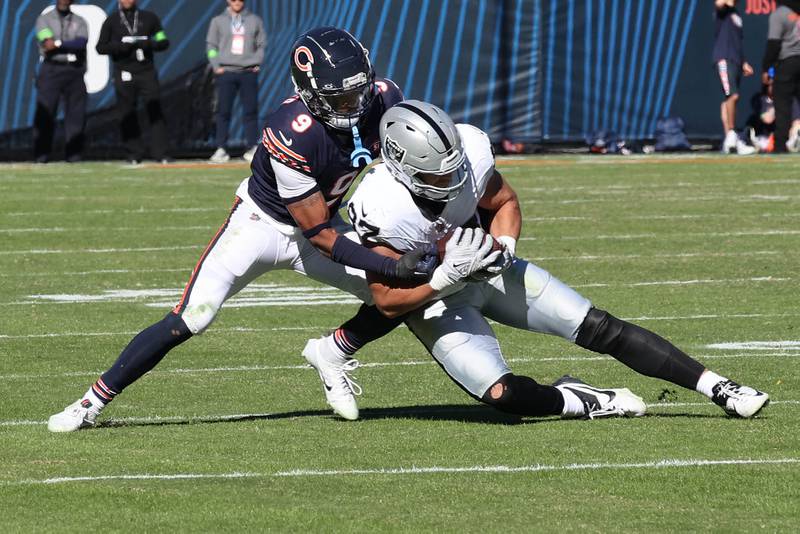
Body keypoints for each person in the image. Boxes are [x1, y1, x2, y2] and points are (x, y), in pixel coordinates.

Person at [47, 27, 432, 432]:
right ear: (309, 92)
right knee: (190, 317)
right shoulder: (293, 129)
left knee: (402, 297)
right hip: (261, 227)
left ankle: (333, 352)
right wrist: (388, 265)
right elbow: (318, 234)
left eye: (359, 91)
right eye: (340, 98)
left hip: (323, 225)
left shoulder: (386, 98)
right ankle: (89, 403)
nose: (355, 104)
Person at [305, 100, 770, 421]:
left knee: (597, 326)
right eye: (435, 172)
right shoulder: (379, 204)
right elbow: (386, 302)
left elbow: (504, 203)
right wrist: (446, 276)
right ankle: (584, 400)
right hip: (433, 300)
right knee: (502, 395)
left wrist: (503, 248)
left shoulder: (469, 154)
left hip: (487, 269)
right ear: (401, 165)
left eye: (452, 166)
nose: (449, 177)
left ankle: (719, 387)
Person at [96, 0, 171, 164]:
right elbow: (100, 47)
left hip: (146, 72)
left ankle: (161, 153)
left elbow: (163, 41)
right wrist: (119, 47)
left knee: (154, 109)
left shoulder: (149, 18)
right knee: (127, 112)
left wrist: (148, 44)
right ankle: (133, 153)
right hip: (124, 72)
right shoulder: (112, 20)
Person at [206, 0, 266, 164]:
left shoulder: (254, 20)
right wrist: (216, 65)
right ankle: (221, 149)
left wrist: (257, 62)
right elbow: (211, 46)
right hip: (226, 71)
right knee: (223, 111)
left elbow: (261, 45)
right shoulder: (218, 21)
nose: (237, 2)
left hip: (248, 71)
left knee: (251, 111)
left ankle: (252, 147)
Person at [33, 0, 88, 163]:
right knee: (46, 112)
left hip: (75, 69)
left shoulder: (79, 21)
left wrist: (58, 43)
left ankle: (74, 154)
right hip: (52, 69)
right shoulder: (44, 19)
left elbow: (81, 43)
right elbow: (46, 42)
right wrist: (59, 45)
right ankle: (41, 155)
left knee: (76, 114)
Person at [712, 0, 756, 155]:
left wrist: (743, 62)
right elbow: (718, 3)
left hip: (736, 60)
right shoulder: (723, 9)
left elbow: (738, 41)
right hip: (724, 58)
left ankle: (730, 141)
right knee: (733, 95)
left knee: (728, 99)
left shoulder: (737, 14)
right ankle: (731, 134)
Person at [762, 0, 800, 153]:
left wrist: (766, 68)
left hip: (787, 62)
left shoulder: (780, 14)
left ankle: (780, 145)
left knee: (783, 106)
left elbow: (774, 44)